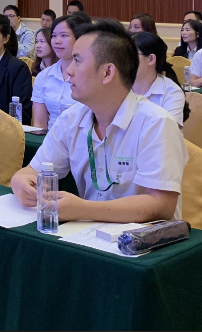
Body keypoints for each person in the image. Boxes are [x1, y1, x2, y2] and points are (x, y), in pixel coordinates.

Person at [11, 19, 188, 222]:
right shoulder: (71, 119)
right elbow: (31, 172)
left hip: (144, 239)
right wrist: (20, 181)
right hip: (90, 233)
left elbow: (162, 205)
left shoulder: (156, 124)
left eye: (77, 61)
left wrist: (84, 209)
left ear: (107, 72)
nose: (69, 71)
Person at [31, 14, 84, 131]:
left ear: (79, 38)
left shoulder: (90, 76)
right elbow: (39, 124)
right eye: (54, 36)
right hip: (50, 138)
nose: (57, 41)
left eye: (64, 35)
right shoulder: (44, 76)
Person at [132, 32, 188, 127]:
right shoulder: (120, 86)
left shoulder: (171, 92)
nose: (126, 60)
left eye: (132, 54)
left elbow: (166, 132)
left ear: (151, 59)